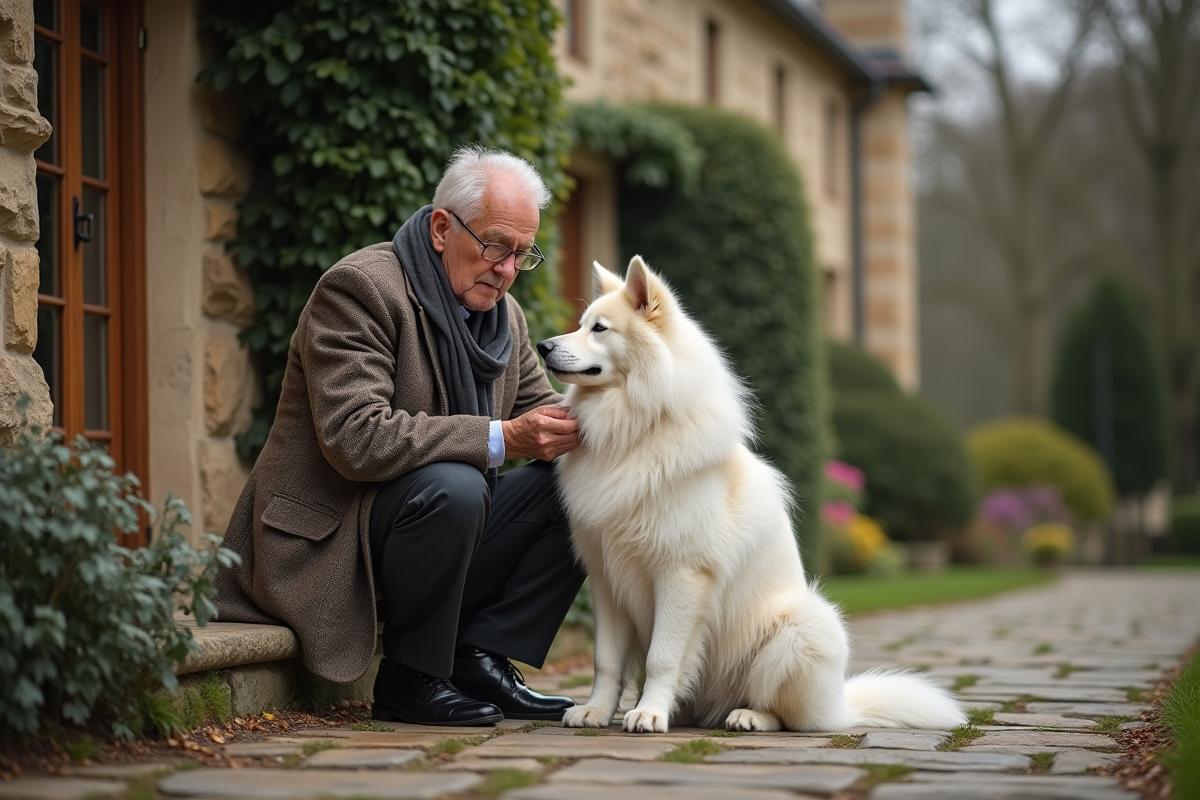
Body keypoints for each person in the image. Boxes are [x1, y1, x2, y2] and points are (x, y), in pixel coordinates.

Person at [213, 146, 586, 727]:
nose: (507, 269)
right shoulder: (359, 289)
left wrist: (645, 419)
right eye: (494, 246)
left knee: (580, 483)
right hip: (334, 539)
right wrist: (503, 437)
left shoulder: (502, 316)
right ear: (442, 228)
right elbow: (355, 437)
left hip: (425, 534)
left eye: (521, 254)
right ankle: (412, 680)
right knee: (457, 486)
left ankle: (476, 656)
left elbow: (547, 414)